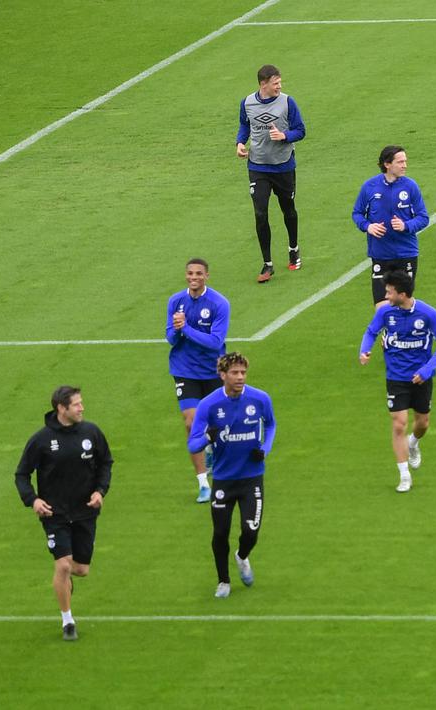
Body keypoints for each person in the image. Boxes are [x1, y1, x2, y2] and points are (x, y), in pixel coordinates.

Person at [14, 386, 113, 642]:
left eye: (81, 403)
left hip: (85, 512)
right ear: (62, 408)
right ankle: (67, 620)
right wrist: (33, 500)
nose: (82, 408)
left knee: (80, 570)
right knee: (63, 564)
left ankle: (67, 585)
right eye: (77, 404)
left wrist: (100, 491)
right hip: (54, 514)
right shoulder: (41, 440)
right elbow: (22, 475)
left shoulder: (92, 432)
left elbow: (105, 463)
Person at [188, 352, 276, 598]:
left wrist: (264, 449)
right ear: (222, 375)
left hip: (252, 478)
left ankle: (242, 556)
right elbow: (193, 444)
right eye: (235, 373)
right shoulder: (209, 404)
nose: (240, 377)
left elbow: (270, 424)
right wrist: (208, 437)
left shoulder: (260, 398)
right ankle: (223, 581)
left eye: (243, 373)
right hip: (224, 480)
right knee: (219, 533)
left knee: (251, 531)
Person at [358, 270, 436, 492]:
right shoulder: (386, 313)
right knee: (399, 423)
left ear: (402, 293)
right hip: (396, 377)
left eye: (390, 292)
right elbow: (371, 332)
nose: (386, 296)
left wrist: (427, 370)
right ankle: (404, 475)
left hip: (420, 378)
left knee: (423, 423)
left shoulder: (428, 314)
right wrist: (365, 350)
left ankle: (413, 444)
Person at [166, 257, 230, 503]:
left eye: (198, 274)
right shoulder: (175, 301)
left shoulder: (219, 303)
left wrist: (186, 329)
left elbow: (215, 343)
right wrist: (175, 329)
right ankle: (203, 484)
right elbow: (171, 339)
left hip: (214, 371)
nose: (194, 277)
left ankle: (212, 447)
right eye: (190, 273)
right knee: (191, 423)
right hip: (184, 370)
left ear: (207, 276)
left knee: (216, 425)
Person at [236, 64, 306, 283]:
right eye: (275, 83)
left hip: (283, 165)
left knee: (288, 209)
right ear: (263, 84)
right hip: (258, 166)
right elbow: (244, 125)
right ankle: (267, 264)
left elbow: (301, 130)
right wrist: (240, 142)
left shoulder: (287, 102)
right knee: (260, 213)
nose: (279, 86)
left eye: (279, 82)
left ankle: (293, 248)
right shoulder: (247, 103)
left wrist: (284, 136)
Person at [351, 145, 430, 308]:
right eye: (400, 162)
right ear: (387, 164)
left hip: (406, 254)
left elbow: (423, 217)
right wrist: (368, 226)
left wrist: (405, 225)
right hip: (380, 254)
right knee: (381, 308)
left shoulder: (410, 187)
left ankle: (398, 334)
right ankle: (388, 334)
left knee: (402, 305)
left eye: (405, 161)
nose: (405, 165)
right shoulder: (370, 187)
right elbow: (357, 213)